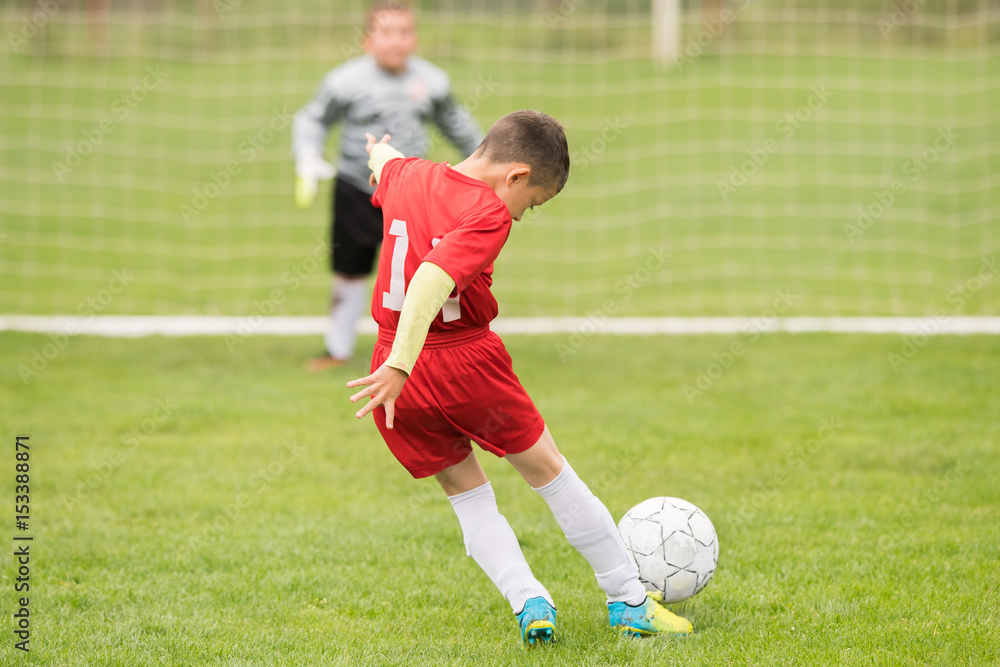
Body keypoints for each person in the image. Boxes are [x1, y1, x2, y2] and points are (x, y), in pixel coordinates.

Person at [345, 111, 693, 645]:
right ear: (515, 176)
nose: (522, 215)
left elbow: (386, 162)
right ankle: (629, 601)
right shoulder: (486, 212)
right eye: (531, 202)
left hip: (396, 374)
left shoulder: (408, 175)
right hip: (457, 363)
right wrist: (401, 364)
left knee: (466, 495)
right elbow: (429, 281)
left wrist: (376, 152)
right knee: (551, 475)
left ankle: (529, 601)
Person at [292, 1, 484, 371]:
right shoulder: (343, 81)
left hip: (414, 192)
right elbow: (313, 119)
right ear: (367, 40)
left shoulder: (432, 82)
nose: (396, 41)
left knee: (422, 268)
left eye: (405, 32)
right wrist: (307, 155)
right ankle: (337, 349)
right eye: (387, 32)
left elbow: (459, 127)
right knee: (350, 267)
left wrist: (484, 166)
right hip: (355, 188)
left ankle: (429, 349)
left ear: (415, 39)